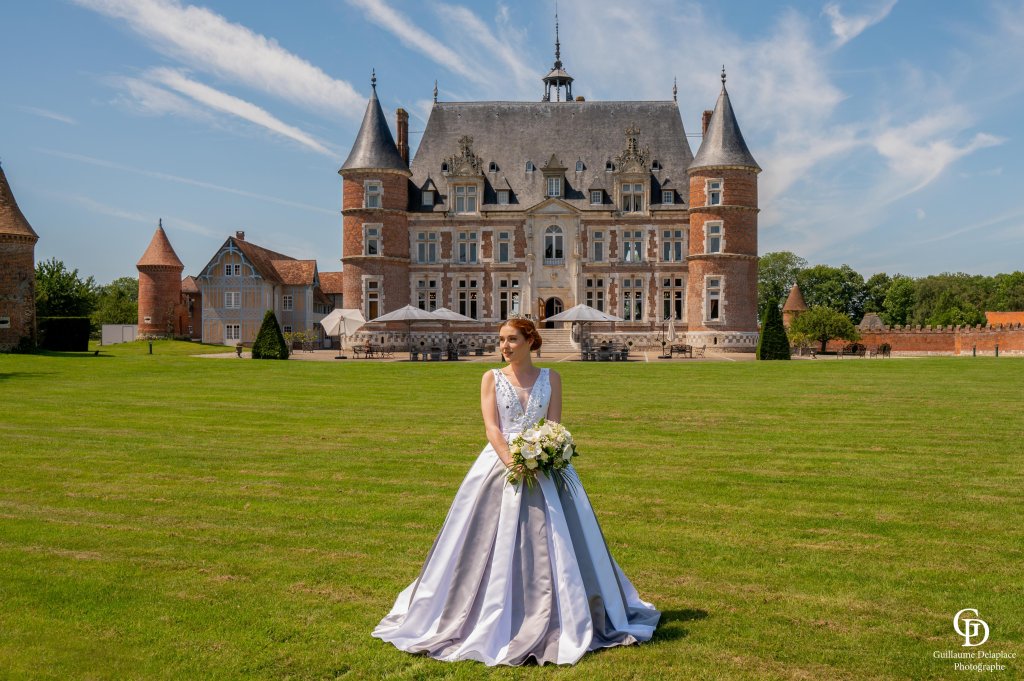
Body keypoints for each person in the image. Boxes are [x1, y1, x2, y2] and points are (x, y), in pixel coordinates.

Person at [372, 318, 660, 666]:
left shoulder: (552, 378)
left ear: (530, 341)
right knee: (483, 539)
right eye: (501, 340)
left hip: (548, 468)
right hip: (500, 466)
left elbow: (554, 426)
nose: (504, 346)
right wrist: (513, 461)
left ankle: (567, 607)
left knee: (563, 539)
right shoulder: (490, 378)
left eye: (511, 339)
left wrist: (546, 452)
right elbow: (492, 427)